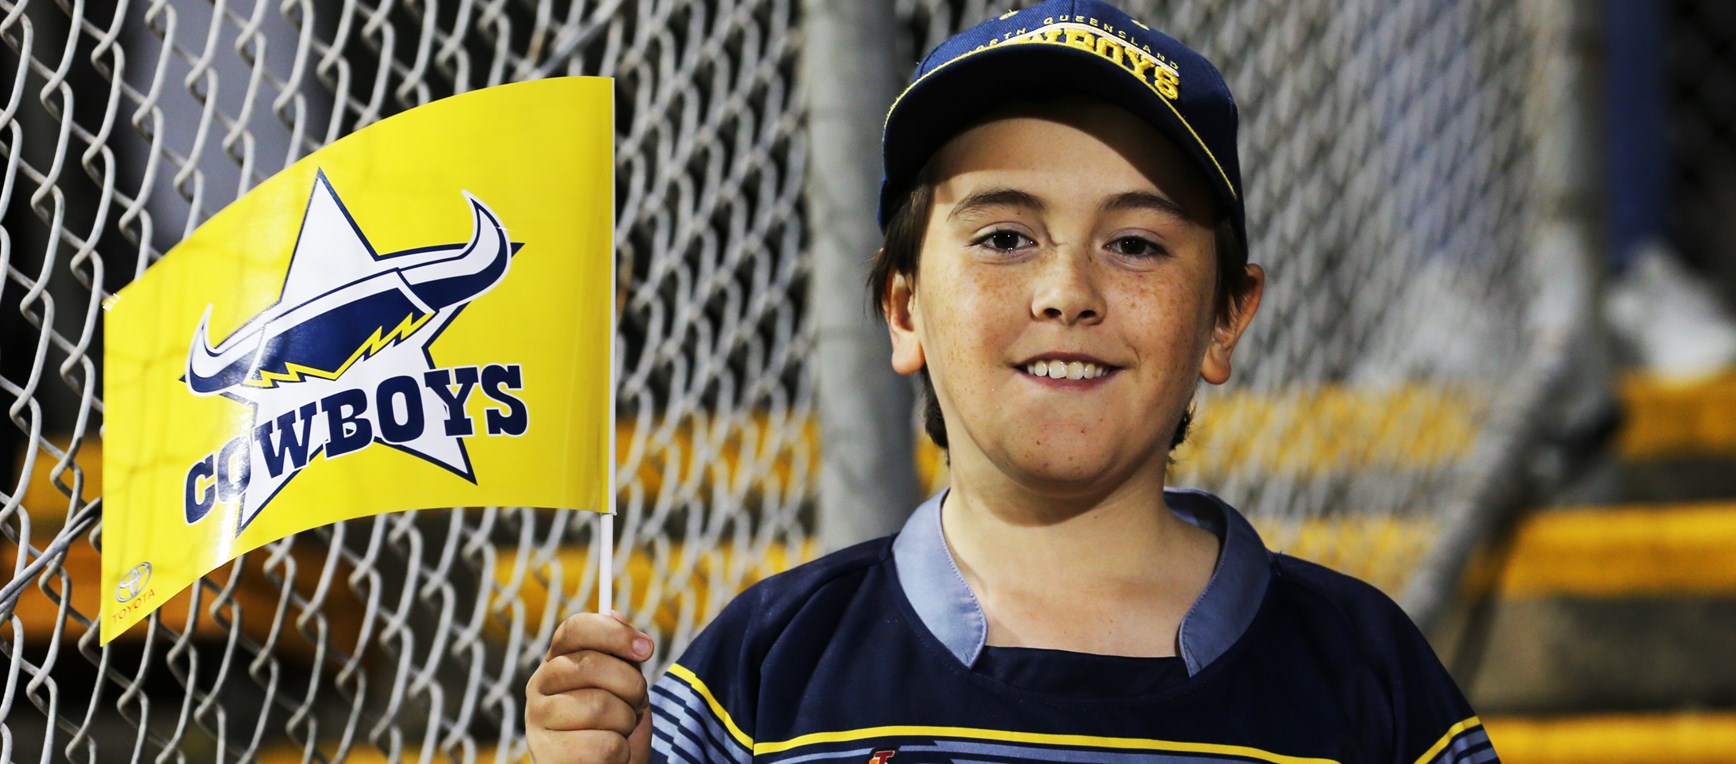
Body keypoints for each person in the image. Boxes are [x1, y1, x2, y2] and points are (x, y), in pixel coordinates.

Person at [526, 2, 1498, 762]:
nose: (1066, 291)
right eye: (1002, 237)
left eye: (1133, 243)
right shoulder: (767, 668)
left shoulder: (1365, 672)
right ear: (903, 308)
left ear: (1222, 316)